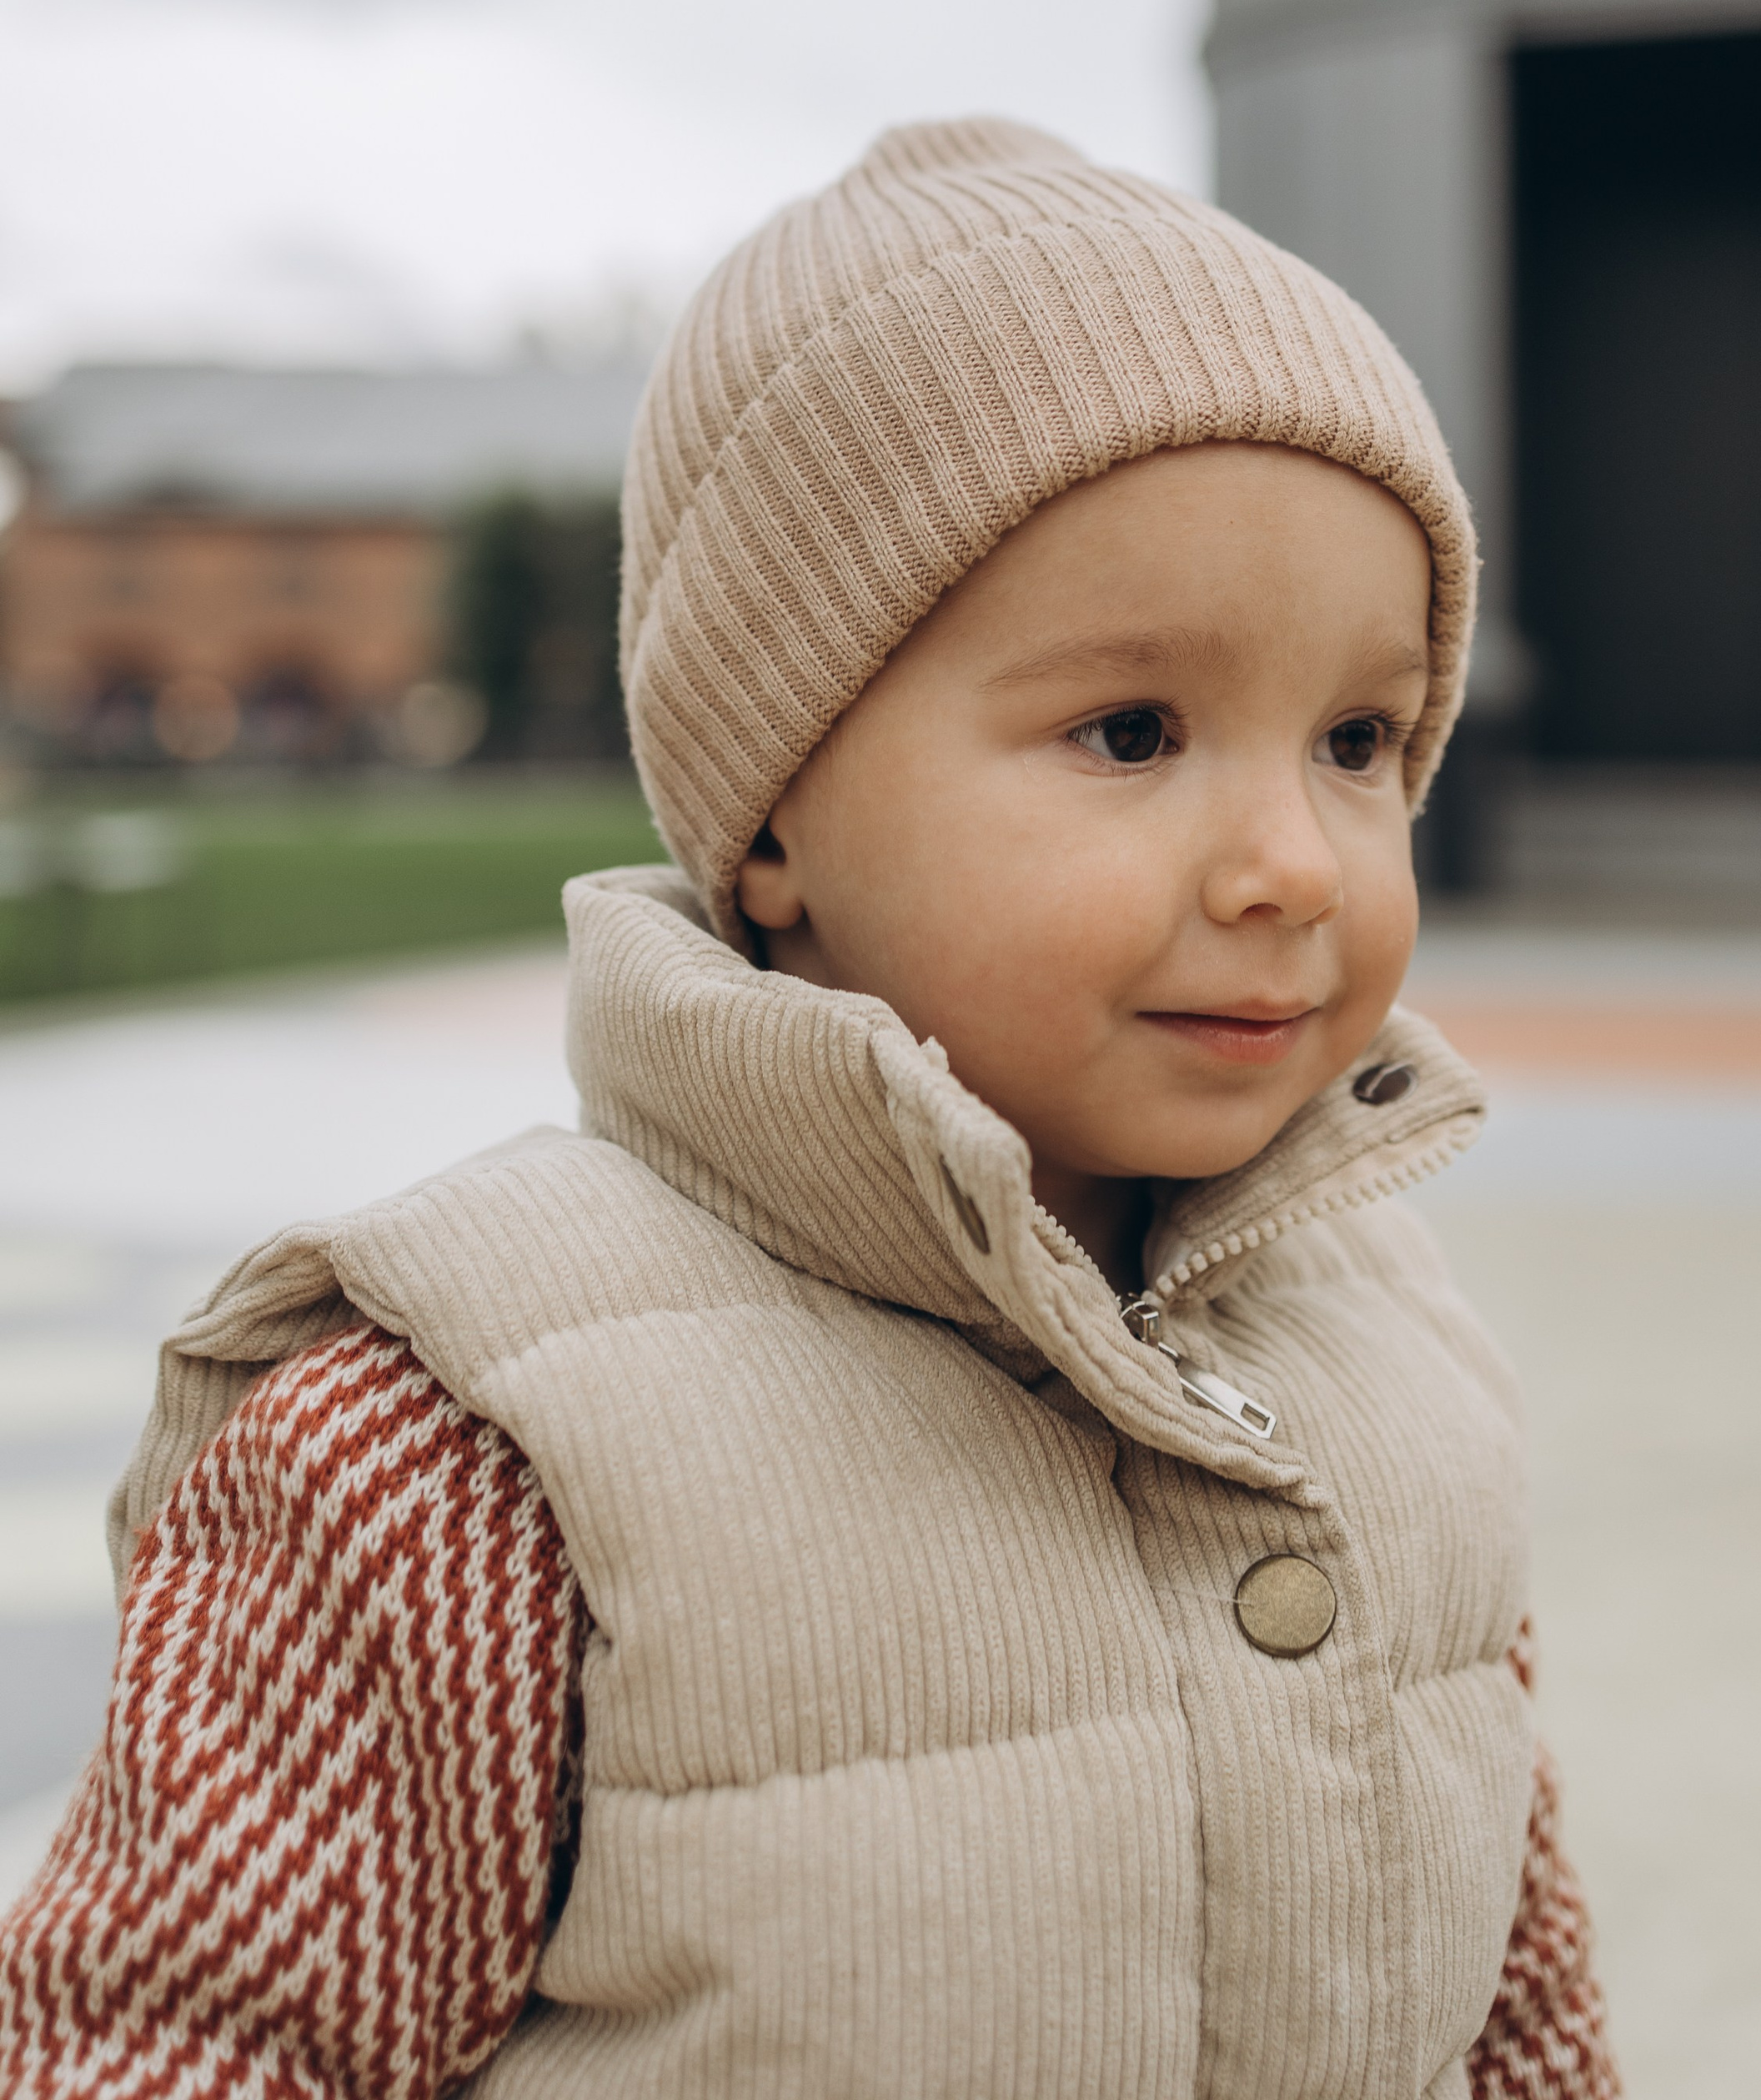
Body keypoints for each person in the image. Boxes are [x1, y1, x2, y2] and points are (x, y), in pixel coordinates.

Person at [1, 120, 1618, 2099]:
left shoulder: (1391, 1354)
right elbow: (174, 2046)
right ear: (773, 816)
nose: (1292, 861)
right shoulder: (458, 1445)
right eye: (1131, 732)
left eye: (1357, 739)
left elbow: (1516, 1993)